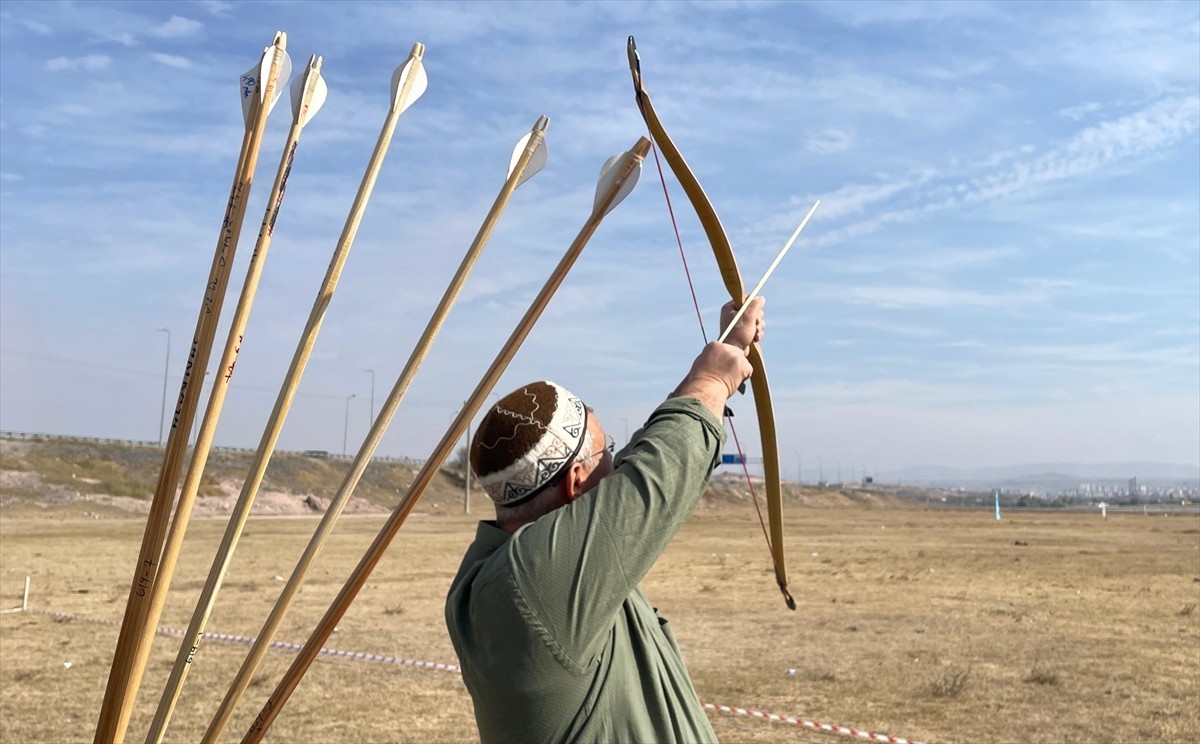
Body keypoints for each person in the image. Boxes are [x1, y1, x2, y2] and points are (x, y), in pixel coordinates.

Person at [444, 297, 766, 743]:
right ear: (576, 480)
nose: (614, 459)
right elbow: (649, 482)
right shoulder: (530, 585)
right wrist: (711, 380)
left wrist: (725, 353)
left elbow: (640, 465)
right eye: (605, 450)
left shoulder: (512, 567)